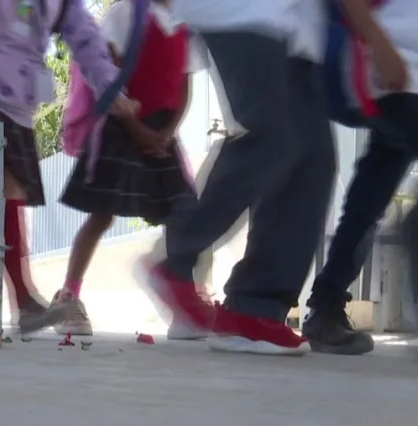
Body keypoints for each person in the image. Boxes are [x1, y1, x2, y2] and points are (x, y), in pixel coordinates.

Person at [137, 0, 393, 355]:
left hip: (296, 27)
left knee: (311, 163)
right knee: (271, 136)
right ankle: (176, 256)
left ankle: (252, 309)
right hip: (241, 12)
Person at [0, 0, 137, 335]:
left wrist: (109, 84)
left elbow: (85, 35)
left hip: (16, 101)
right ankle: (25, 301)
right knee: (5, 187)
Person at [53, 0, 203, 337]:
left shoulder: (184, 26)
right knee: (102, 214)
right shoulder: (128, 13)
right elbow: (109, 71)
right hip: (122, 124)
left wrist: (166, 133)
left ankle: (183, 306)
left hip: (162, 133)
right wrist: (137, 129)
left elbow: (183, 87)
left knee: (184, 213)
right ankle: (69, 294)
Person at [300, 0, 413, 355]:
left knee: (367, 203)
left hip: (400, 76)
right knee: (368, 205)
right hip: (394, 70)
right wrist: (380, 45)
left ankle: (325, 310)